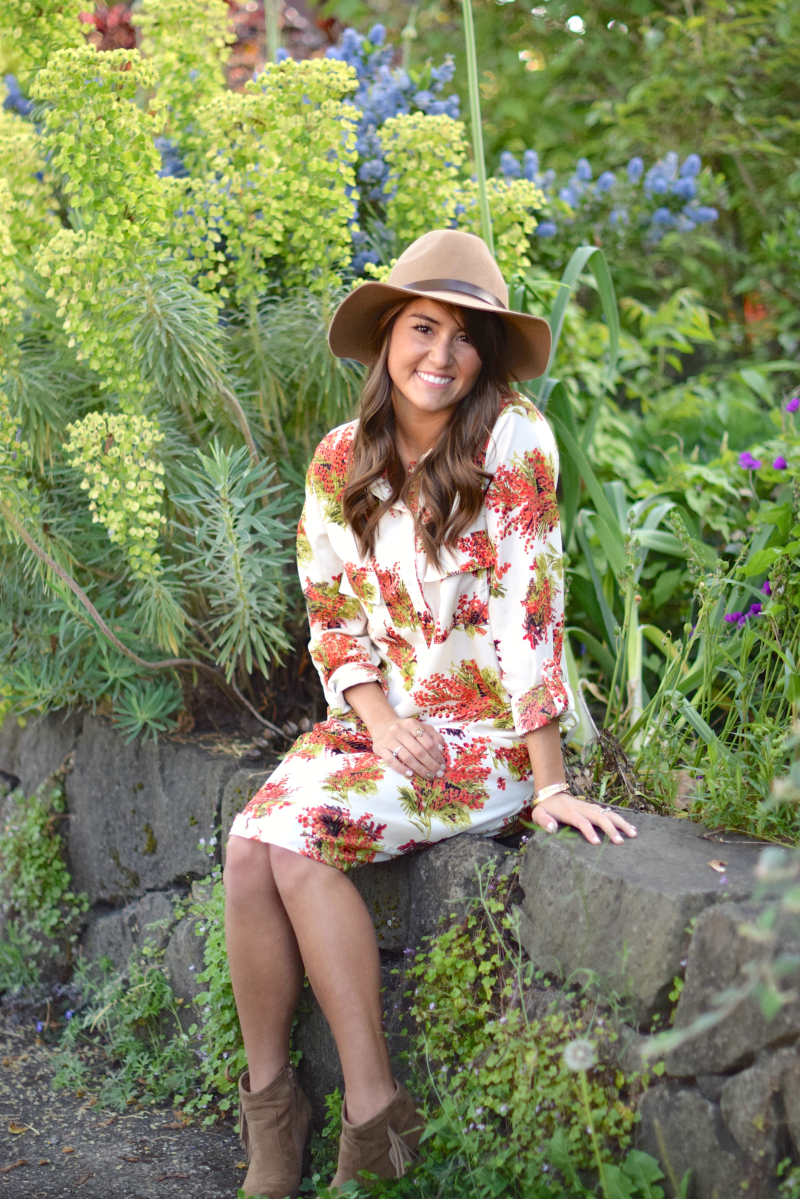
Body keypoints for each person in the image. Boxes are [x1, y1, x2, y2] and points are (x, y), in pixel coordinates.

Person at [224, 229, 637, 1199]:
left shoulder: (514, 441)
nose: (441, 355)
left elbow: (529, 612)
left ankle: (373, 1116)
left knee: (295, 847)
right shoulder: (340, 458)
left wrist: (550, 785)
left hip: (487, 739)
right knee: (247, 848)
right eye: (422, 327)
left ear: (486, 356)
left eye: (465, 337)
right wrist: (375, 719)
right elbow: (331, 615)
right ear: (387, 337)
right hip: (384, 726)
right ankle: (271, 1109)